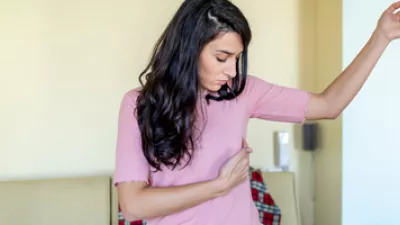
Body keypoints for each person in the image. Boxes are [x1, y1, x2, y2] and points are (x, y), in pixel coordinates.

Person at [113, 0, 400, 224]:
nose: (232, 70)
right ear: (189, 48)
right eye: (222, 57)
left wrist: (381, 37)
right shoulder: (138, 105)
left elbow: (329, 104)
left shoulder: (243, 91)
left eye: (237, 58)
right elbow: (133, 204)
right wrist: (218, 186)